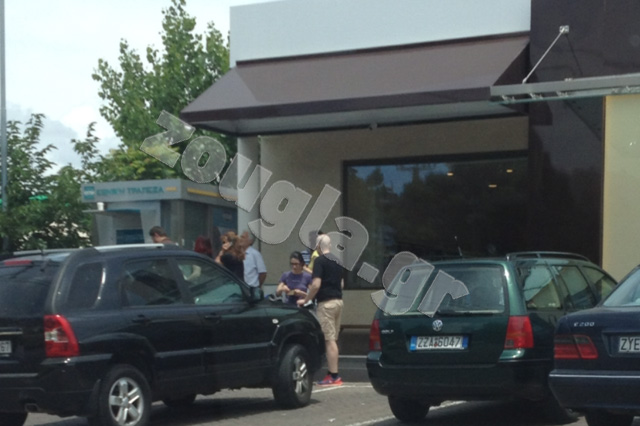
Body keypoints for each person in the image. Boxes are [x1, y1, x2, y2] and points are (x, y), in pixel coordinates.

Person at [297, 234, 344, 386]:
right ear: (329, 245)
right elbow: (341, 283)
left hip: (326, 303)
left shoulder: (319, 261)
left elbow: (316, 284)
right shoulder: (337, 261)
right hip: (338, 302)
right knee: (333, 338)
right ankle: (332, 373)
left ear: (317, 246)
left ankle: (334, 376)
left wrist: (306, 299)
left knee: (329, 340)